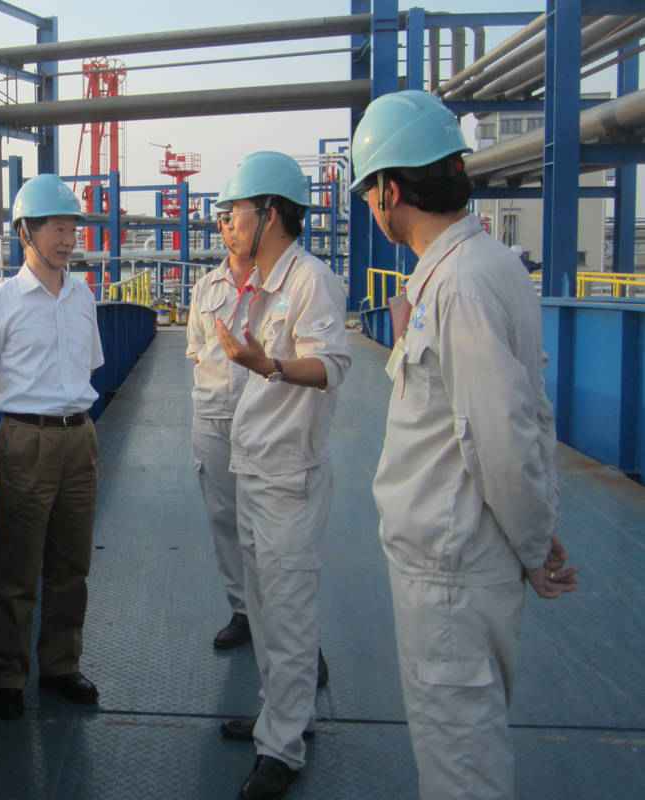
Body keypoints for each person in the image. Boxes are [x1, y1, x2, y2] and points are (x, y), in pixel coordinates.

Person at [350, 89, 578, 799]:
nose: (371, 207)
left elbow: (499, 434)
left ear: (389, 191)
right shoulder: (487, 266)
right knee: (464, 745)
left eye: (369, 193)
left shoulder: (459, 286)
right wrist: (538, 523)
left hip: (450, 570)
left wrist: (535, 546)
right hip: (463, 556)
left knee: (460, 767)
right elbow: (528, 409)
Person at [212, 151, 351, 800]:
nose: (228, 224)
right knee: (265, 610)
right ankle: (279, 718)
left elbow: (330, 366)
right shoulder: (264, 282)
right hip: (254, 467)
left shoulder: (310, 281)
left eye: (236, 212)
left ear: (270, 214)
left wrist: (266, 365)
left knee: (289, 614)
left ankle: (283, 750)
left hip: (288, 475)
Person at [0, 173, 104, 722]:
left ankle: (61, 666)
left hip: (78, 437)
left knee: (71, 564)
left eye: (71, 229)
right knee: (18, 568)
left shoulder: (83, 295)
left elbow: (88, 366)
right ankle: (10, 677)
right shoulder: (0, 302)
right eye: (56, 229)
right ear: (26, 233)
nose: (67, 239)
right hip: (25, 439)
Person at [185, 215, 256, 650]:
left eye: (238, 218)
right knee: (224, 516)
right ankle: (243, 611)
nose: (232, 229)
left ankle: (288, 626)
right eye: (224, 221)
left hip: (265, 416)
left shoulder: (281, 283)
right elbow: (197, 349)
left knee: (272, 524)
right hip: (213, 415)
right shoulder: (205, 288)